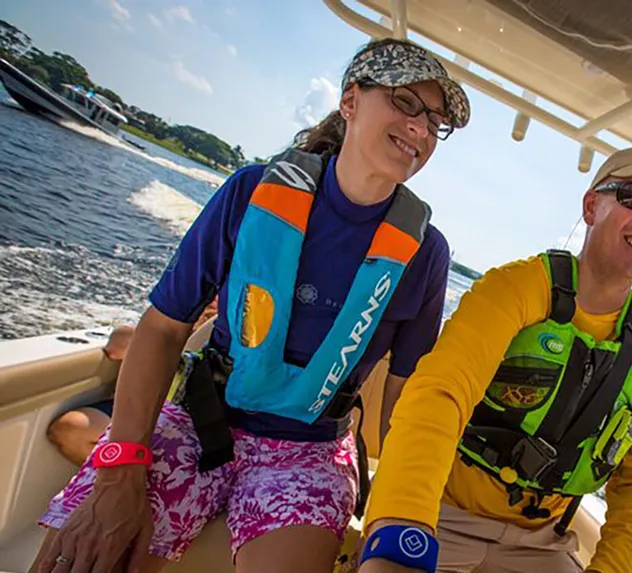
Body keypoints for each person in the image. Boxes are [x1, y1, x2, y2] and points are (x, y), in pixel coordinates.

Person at [32, 37, 470, 573]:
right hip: (199, 420)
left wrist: (400, 516)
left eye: (435, 121)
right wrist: (120, 471)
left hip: (310, 453)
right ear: (350, 101)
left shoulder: (425, 255)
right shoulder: (250, 191)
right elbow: (165, 328)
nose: (421, 129)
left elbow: (407, 403)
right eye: (406, 103)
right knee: (79, 560)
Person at [356, 146, 632, 573]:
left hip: (543, 545)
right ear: (592, 205)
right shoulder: (514, 289)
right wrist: (403, 524)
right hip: (442, 514)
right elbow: (441, 394)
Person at [46, 300, 219, 466]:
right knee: (71, 430)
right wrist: (188, 329)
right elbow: (116, 348)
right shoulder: (169, 322)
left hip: (193, 424)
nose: (213, 300)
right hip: (139, 409)